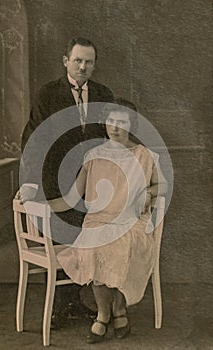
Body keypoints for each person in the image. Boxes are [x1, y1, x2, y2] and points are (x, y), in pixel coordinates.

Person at [47, 99, 168, 343]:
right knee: (96, 246)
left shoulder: (144, 155)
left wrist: (149, 192)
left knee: (122, 245)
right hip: (98, 221)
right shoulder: (94, 155)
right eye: (111, 121)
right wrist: (37, 199)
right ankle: (104, 314)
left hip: (132, 222)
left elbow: (163, 184)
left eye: (121, 122)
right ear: (105, 123)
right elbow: (71, 198)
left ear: (130, 125)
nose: (115, 127)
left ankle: (119, 311)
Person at [18, 37, 114, 324]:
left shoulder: (104, 93)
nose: (83, 66)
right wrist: (31, 181)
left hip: (94, 182)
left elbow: (112, 136)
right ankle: (63, 304)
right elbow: (34, 139)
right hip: (56, 181)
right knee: (64, 237)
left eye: (89, 62)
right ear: (66, 61)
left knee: (88, 240)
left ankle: (82, 301)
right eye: (78, 61)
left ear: (94, 64)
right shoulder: (48, 94)